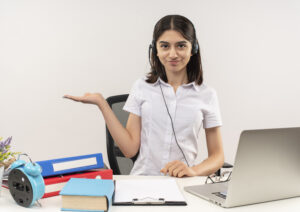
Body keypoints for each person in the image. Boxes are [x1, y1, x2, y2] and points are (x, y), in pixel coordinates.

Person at [64, 14, 224, 178]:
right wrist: (101, 103)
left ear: (193, 49)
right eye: (165, 46)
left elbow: (217, 156)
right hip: (143, 181)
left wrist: (193, 170)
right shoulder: (142, 87)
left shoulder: (207, 95)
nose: (173, 54)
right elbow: (129, 149)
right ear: (155, 49)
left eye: (181, 46)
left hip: (183, 182)